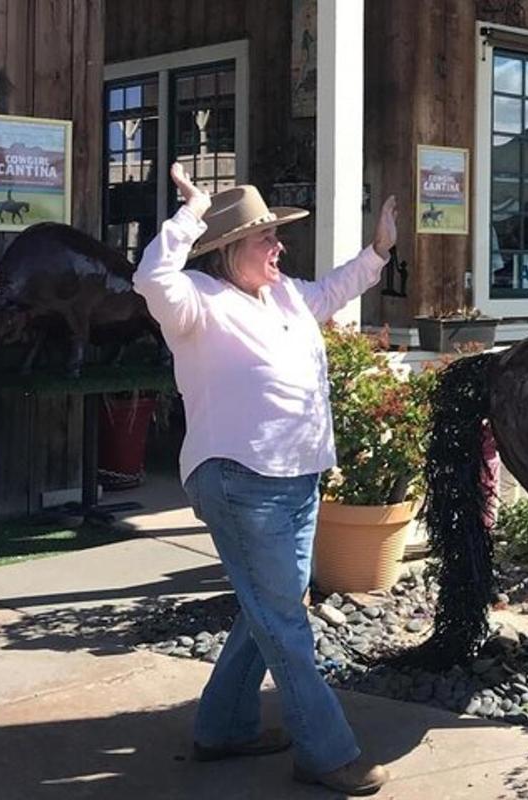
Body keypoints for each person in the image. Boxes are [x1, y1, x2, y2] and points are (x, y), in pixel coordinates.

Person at [134, 163, 398, 796]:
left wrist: (378, 252)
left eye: (277, 236)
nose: (279, 247)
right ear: (228, 250)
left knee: (270, 608)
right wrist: (191, 212)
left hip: (299, 476)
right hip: (239, 480)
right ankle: (325, 750)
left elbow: (332, 293)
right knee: (283, 618)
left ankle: (223, 727)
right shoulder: (195, 299)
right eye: (265, 238)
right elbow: (150, 277)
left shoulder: (281, 294)